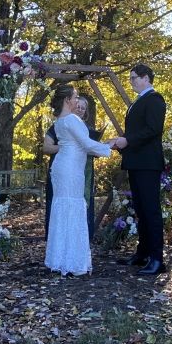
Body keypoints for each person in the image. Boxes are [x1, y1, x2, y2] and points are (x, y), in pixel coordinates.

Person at [45, 85, 114, 276]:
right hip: (69, 169)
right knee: (71, 208)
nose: (77, 100)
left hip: (63, 166)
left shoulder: (60, 120)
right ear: (67, 100)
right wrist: (110, 146)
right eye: (75, 97)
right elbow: (87, 144)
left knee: (63, 209)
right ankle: (71, 262)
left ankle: (60, 258)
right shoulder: (72, 120)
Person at [111, 63, 168, 275]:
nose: (131, 81)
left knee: (151, 211)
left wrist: (127, 140)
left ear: (146, 78)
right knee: (141, 210)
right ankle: (142, 253)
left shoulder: (154, 100)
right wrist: (122, 143)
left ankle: (157, 259)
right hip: (137, 162)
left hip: (148, 164)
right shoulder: (139, 101)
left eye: (133, 77)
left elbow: (154, 129)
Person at [43, 92, 100, 241]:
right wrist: (67, 147)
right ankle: (61, 241)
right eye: (77, 104)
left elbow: (88, 146)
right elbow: (46, 147)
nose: (80, 109)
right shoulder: (61, 124)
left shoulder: (83, 126)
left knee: (80, 204)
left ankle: (79, 240)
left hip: (82, 170)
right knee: (63, 204)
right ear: (70, 103)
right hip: (66, 169)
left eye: (83, 107)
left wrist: (97, 149)